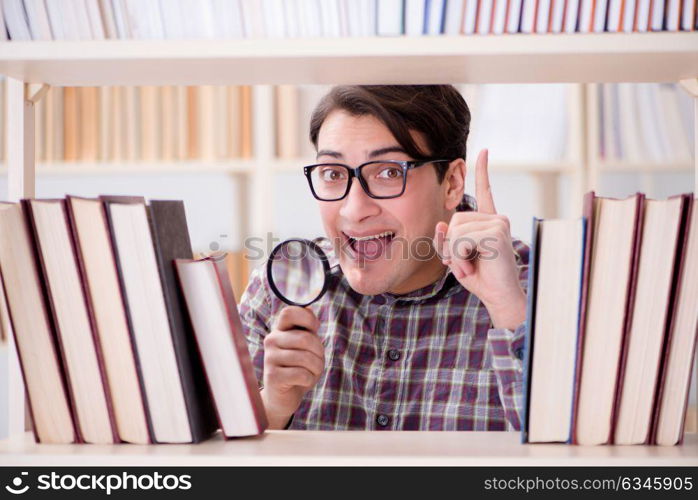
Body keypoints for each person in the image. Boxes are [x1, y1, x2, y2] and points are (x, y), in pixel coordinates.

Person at [239, 85, 529, 431]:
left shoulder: (534, 285)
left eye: (389, 172)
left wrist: (508, 311)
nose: (355, 209)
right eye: (333, 173)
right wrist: (274, 405)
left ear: (451, 183)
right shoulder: (276, 289)